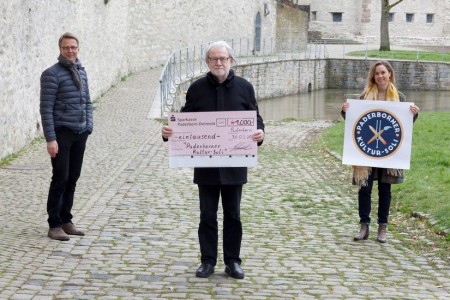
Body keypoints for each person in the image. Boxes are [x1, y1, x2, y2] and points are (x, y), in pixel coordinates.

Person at [161, 41, 265, 279]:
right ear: (207, 62)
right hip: (206, 164)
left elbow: (255, 117)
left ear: (231, 61)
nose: (219, 63)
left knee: (233, 215)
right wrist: (169, 132)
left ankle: (232, 261)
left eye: (223, 58)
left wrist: (260, 133)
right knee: (207, 215)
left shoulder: (245, 87)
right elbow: (184, 119)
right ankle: (207, 261)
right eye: (214, 59)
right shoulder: (196, 88)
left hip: (234, 164)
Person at [341, 60, 419, 243]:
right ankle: (364, 226)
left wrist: (413, 114)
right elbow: (355, 122)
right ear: (373, 76)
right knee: (364, 188)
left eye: (383, 72)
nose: (380, 76)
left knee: (385, 189)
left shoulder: (399, 97)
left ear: (389, 73)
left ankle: (382, 227)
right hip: (366, 152)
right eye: (377, 73)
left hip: (388, 151)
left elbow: (403, 127)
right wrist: (345, 111)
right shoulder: (364, 97)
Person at [40, 32, 93, 241]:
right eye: (66, 48)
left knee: (73, 177)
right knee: (60, 178)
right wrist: (50, 139)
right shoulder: (51, 74)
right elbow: (46, 109)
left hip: (80, 132)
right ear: (60, 49)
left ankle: (66, 219)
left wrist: (89, 125)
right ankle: (54, 224)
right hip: (61, 133)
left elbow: (87, 101)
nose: (70, 51)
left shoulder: (81, 71)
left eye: (73, 47)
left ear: (78, 49)